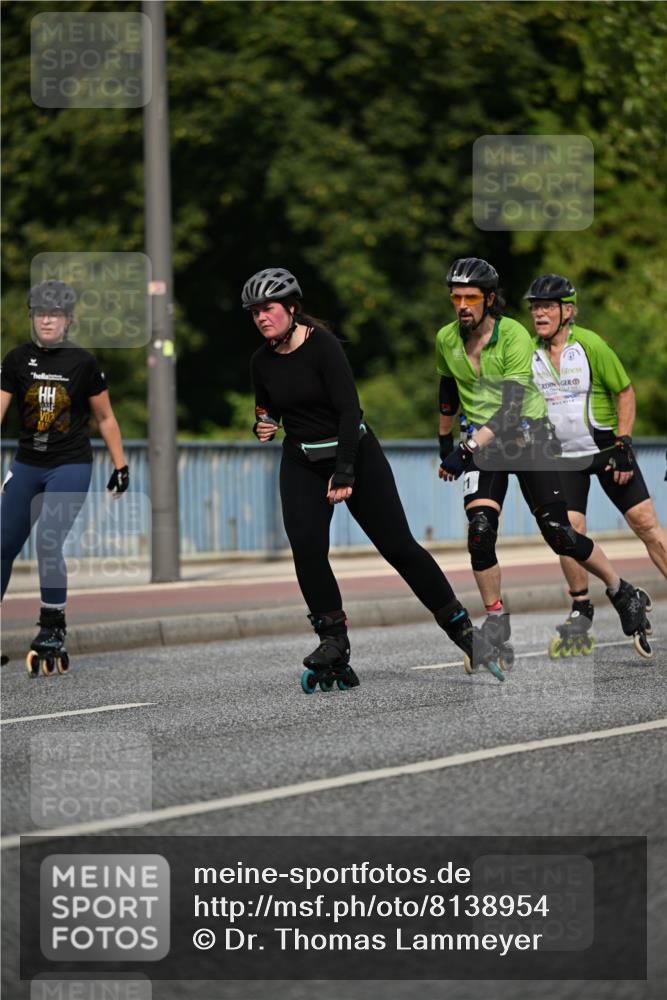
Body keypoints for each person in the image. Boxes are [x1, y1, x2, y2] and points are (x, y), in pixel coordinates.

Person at [243, 265, 505, 690]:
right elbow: (265, 407)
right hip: (303, 461)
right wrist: (264, 424)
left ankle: (462, 630)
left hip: (356, 454)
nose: (261, 317)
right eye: (254, 312)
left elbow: (349, 411)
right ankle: (333, 643)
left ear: (291, 307)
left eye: (268, 308)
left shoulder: (323, 346)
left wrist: (345, 471)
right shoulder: (261, 361)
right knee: (307, 550)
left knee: (398, 546)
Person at [436, 257, 652, 663]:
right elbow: (448, 388)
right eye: (455, 297)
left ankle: (621, 590)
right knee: (480, 530)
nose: (462, 304)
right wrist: (443, 439)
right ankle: (496, 622)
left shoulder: (514, 335)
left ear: (489, 299)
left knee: (560, 533)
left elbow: (513, 408)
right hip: (483, 447)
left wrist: (464, 450)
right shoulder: (446, 338)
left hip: (527, 436)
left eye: (471, 297)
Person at [525, 273, 664, 656]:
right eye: (535, 307)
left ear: (567, 310)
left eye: (547, 307)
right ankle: (581, 609)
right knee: (567, 533)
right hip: (562, 459)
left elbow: (625, 391)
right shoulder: (530, 353)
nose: (539, 314)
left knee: (647, 527)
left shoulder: (590, 345)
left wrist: (624, 443)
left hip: (605, 451)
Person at [1, 279, 129, 675]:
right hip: (26, 464)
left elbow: (105, 417)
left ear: (68, 319)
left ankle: (52, 627)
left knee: (48, 540)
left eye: (54, 314)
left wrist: (120, 465)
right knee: (3, 542)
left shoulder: (83, 363)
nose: (46, 321)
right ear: (32, 317)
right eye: (40, 314)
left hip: (69, 464)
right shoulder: (16, 359)